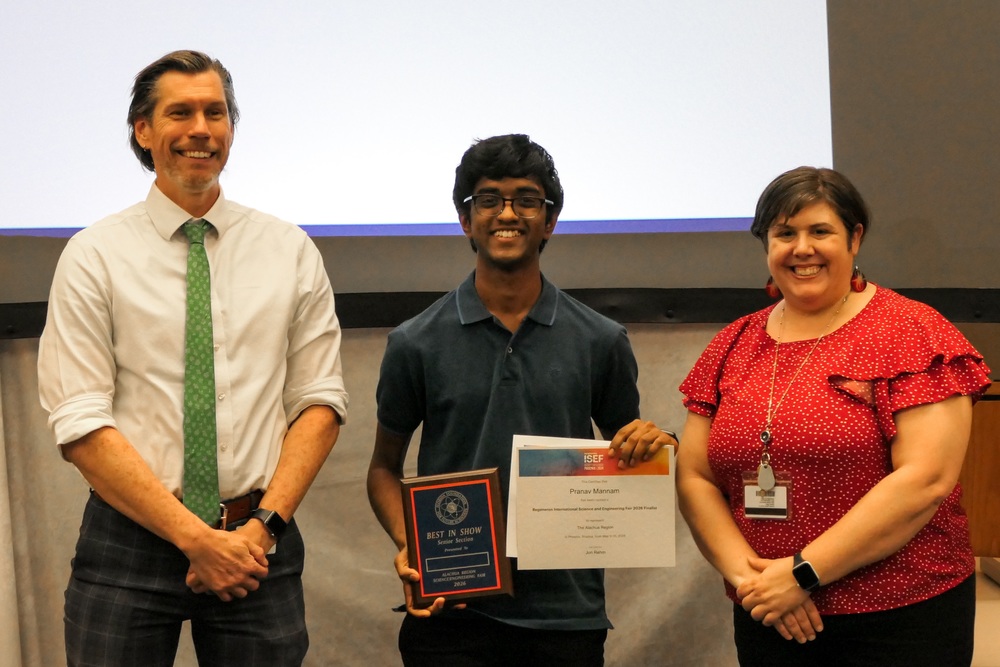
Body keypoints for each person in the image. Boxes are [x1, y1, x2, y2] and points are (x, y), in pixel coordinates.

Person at [37, 50, 348, 666]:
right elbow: (79, 422)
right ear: (144, 131)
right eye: (180, 112)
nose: (202, 128)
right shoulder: (93, 255)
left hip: (259, 542)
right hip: (130, 542)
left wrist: (258, 531)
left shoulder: (288, 249)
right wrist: (195, 539)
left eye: (217, 112)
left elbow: (320, 401)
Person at [366, 133, 675, 666]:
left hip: (566, 617)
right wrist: (411, 544)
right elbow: (383, 469)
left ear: (549, 221)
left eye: (526, 199)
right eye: (488, 199)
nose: (507, 213)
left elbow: (631, 456)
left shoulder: (601, 339)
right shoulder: (414, 341)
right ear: (466, 220)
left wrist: (658, 442)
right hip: (452, 610)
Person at [676, 166, 991, 666]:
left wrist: (801, 574)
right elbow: (695, 476)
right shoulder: (733, 343)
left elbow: (925, 481)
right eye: (784, 233)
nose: (802, 248)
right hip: (770, 616)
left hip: (900, 619)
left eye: (820, 231)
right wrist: (753, 582)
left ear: (855, 238)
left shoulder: (913, 331)